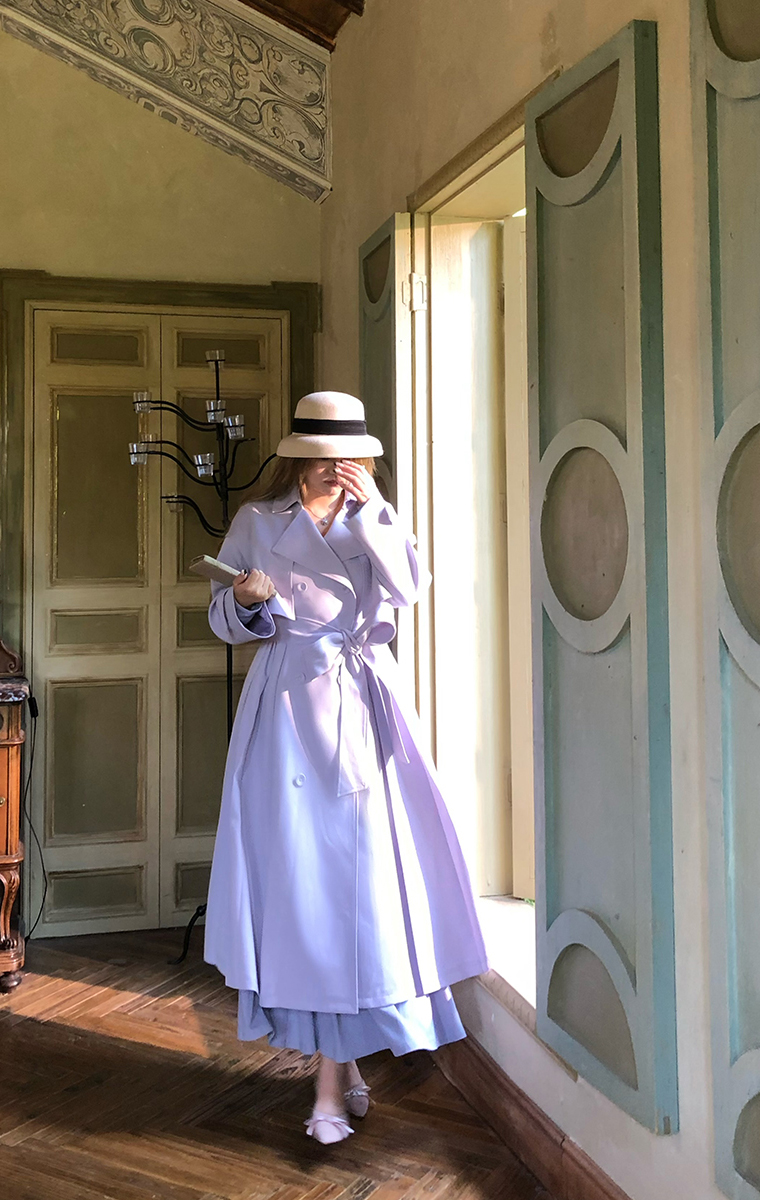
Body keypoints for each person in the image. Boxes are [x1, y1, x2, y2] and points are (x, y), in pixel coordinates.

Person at [203, 391, 488, 1145]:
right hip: (285, 710)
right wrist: (247, 599)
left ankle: (332, 1083)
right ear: (299, 456)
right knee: (302, 887)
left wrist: (369, 520)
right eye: (324, 454)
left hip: (362, 703)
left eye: (351, 454)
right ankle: (341, 1068)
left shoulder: (378, 518)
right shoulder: (260, 521)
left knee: (357, 887)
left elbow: (412, 591)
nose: (338, 466)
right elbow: (223, 620)